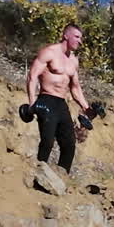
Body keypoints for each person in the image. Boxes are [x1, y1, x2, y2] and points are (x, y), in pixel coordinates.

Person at [25, 24, 90, 174]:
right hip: (46, 99)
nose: (80, 41)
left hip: (61, 103)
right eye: (77, 37)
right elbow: (32, 76)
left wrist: (86, 107)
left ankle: (61, 177)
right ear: (66, 35)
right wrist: (32, 103)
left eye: (81, 38)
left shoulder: (73, 61)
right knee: (47, 141)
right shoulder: (49, 52)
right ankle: (38, 173)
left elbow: (75, 88)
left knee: (69, 144)